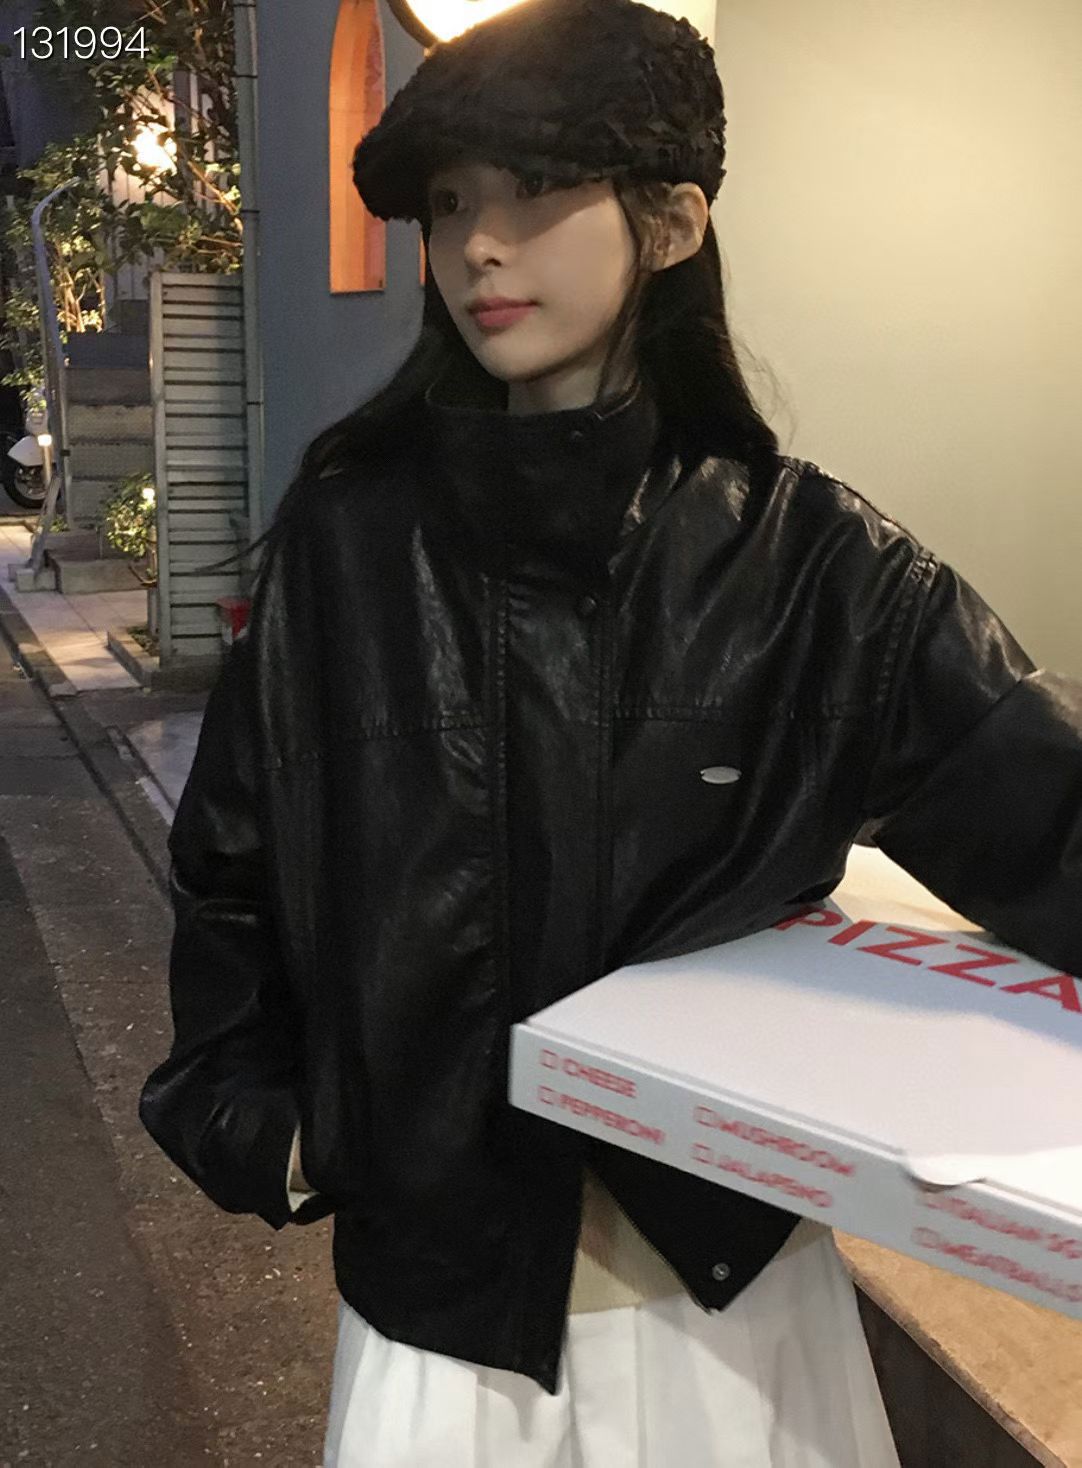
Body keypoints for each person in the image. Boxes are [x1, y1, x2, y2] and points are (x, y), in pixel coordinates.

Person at [138, 0, 1082, 1461]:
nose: (478, 246)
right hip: (440, 1325)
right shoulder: (349, 543)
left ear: (674, 220)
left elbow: (1049, 822)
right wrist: (277, 1131)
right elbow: (235, 870)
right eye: (450, 204)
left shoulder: (812, 567)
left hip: (733, 1315)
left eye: (532, 192)